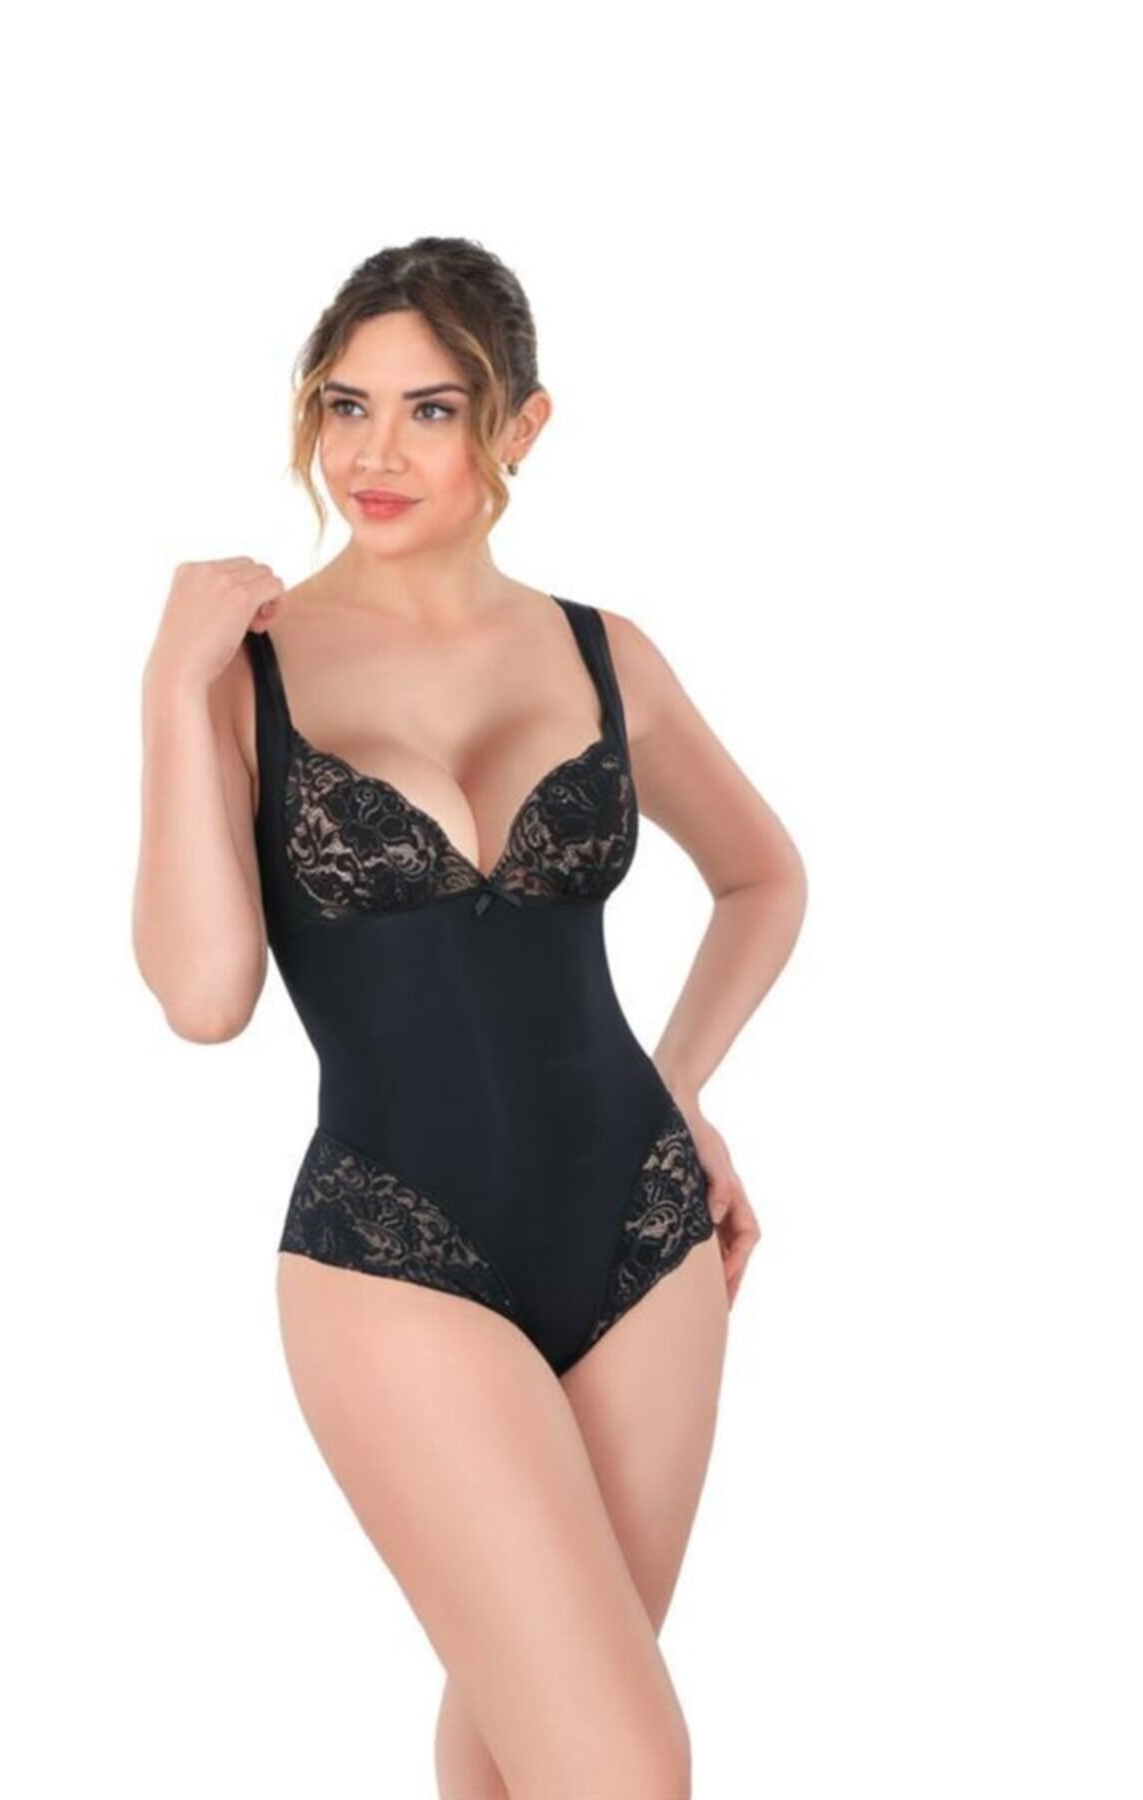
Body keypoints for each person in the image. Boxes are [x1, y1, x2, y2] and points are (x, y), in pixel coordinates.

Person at [133, 235, 806, 1799]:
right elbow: (205, 998)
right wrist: (168, 692)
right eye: (344, 405)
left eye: (430, 410)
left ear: (520, 426)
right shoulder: (244, 673)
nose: (374, 454)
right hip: (395, 1250)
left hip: (648, 1239)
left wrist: (680, 1086)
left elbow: (765, 878)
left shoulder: (603, 652)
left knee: (519, 1744)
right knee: (625, 1765)